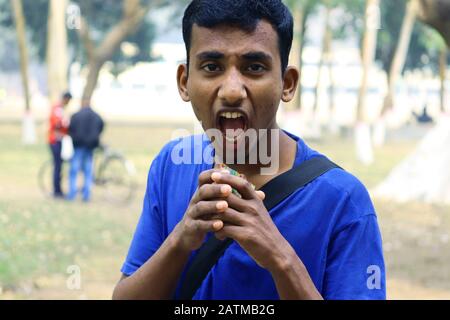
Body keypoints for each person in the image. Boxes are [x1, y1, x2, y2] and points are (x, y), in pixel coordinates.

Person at [113, 0, 386, 300]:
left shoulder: (342, 201)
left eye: (254, 67)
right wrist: (180, 239)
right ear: (184, 82)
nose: (231, 90)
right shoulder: (171, 166)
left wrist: (281, 259)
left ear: (287, 83)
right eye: (212, 67)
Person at [67, 102, 104, 202]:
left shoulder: (76, 116)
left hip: (78, 145)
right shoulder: (96, 116)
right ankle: (86, 194)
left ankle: (72, 193)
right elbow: (101, 126)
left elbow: (70, 128)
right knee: (88, 170)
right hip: (90, 146)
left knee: (74, 170)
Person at [48, 92, 72, 198]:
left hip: (59, 140)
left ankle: (58, 189)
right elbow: (57, 124)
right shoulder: (57, 109)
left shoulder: (61, 109)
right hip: (55, 141)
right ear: (65, 99)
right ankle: (56, 191)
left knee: (59, 166)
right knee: (57, 166)